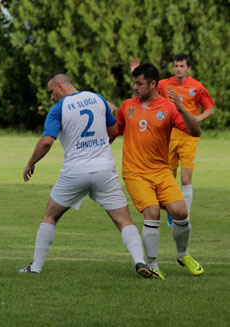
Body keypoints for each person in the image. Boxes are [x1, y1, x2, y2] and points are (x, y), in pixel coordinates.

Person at [18, 73, 158, 279]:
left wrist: (30, 163)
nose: (51, 97)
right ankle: (140, 261)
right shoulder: (98, 99)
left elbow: (47, 141)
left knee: (50, 216)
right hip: (104, 170)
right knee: (124, 221)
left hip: (74, 172)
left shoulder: (58, 109)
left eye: (51, 92)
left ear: (60, 86)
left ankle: (36, 267)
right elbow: (114, 130)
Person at [116, 63, 203, 279]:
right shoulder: (127, 106)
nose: (135, 87)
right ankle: (152, 265)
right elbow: (113, 132)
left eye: (139, 83)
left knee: (181, 212)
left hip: (161, 171)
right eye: (133, 83)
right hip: (135, 172)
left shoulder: (169, 107)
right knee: (152, 211)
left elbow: (195, 130)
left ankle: (183, 254)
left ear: (153, 84)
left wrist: (183, 108)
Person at [130, 55, 215, 226]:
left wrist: (196, 119)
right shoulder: (164, 84)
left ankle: (185, 216)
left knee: (185, 179)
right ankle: (172, 210)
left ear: (188, 68)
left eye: (182, 66)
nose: (178, 69)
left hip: (188, 137)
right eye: (176, 65)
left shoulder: (197, 87)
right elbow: (147, 88)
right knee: (169, 176)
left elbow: (210, 109)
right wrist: (135, 73)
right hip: (167, 136)